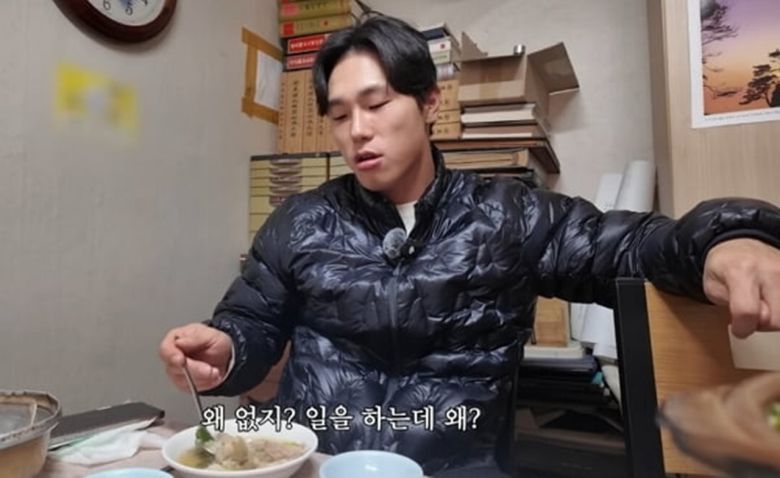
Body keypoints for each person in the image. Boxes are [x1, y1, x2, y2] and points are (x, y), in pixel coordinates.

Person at [160, 14, 780, 475]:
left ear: (430, 102)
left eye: (377, 104)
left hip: (458, 465)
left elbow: (631, 246)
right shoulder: (301, 220)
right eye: (340, 116)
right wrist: (226, 348)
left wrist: (728, 237)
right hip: (317, 462)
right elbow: (252, 323)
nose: (358, 131)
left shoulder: (507, 213)